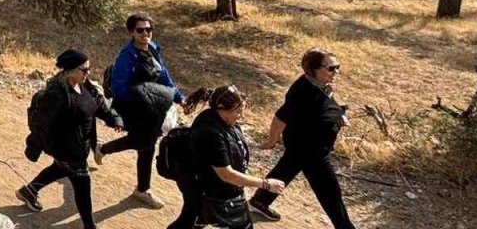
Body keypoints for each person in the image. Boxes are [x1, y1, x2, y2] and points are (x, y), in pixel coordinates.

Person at [17, 48, 124, 228]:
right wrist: (33, 148)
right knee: (83, 186)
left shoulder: (85, 84)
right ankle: (90, 225)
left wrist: (114, 119)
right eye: (84, 70)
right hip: (67, 149)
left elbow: (98, 104)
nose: (88, 73)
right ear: (69, 70)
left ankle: (30, 190)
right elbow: (41, 125)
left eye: (88, 69)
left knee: (59, 168)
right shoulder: (56, 95)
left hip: (80, 145)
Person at [248, 49, 355, 228]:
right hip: (311, 151)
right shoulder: (302, 92)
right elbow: (280, 118)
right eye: (331, 68)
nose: (336, 72)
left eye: (337, 67)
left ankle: (260, 201)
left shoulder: (320, 84)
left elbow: (323, 106)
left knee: (287, 168)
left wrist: (339, 115)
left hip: (303, 145)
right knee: (330, 193)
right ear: (313, 69)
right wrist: (272, 141)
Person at [102, 13, 188, 209]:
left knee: (145, 144)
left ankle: (105, 152)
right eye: (140, 30)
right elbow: (118, 88)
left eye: (148, 29)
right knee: (144, 143)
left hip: (153, 107)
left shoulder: (154, 48)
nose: (145, 34)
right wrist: (140, 104)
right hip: (134, 108)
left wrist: (180, 98)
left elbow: (163, 76)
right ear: (131, 32)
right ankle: (142, 188)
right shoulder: (126, 57)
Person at [192, 86, 285, 229]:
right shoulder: (211, 133)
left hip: (217, 192)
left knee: (193, 220)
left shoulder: (225, 122)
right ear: (222, 109)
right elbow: (226, 175)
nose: (241, 116)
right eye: (238, 112)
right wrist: (266, 184)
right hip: (218, 196)